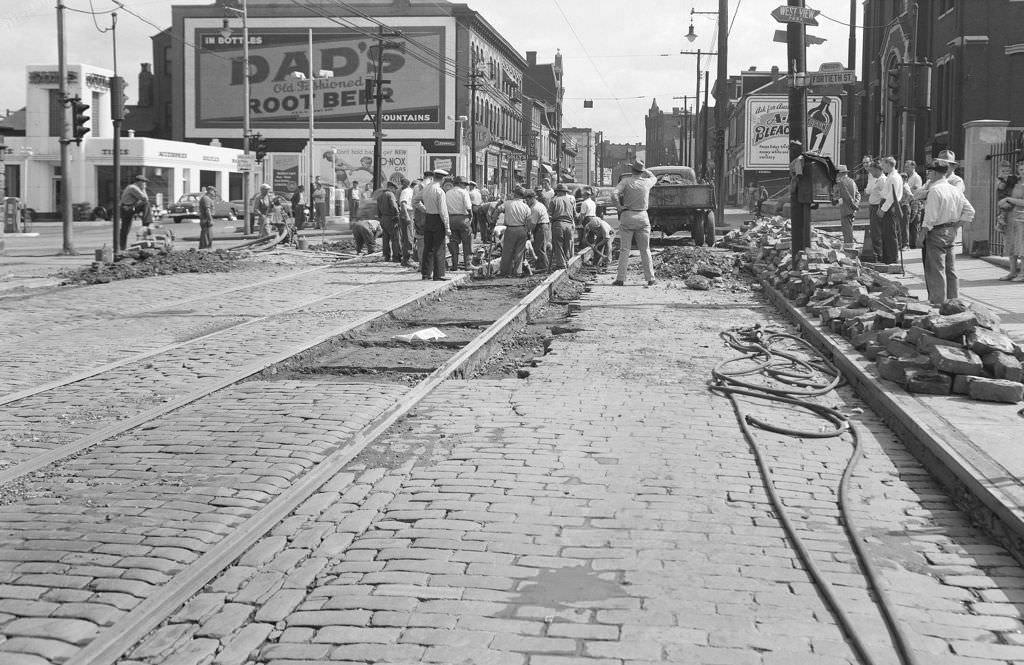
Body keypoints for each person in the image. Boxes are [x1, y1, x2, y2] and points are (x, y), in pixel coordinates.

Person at [913, 160, 975, 305]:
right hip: (951, 231)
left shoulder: (935, 190)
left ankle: (938, 301)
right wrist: (956, 226)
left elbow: (930, 218)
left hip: (936, 231)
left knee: (936, 268)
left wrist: (920, 237)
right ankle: (954, 300)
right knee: (951, 268)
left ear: (934, 173)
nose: (928, 174)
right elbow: (970, 211)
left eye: (929, 172)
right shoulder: (954, 189)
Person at [612, 159, 657, 286]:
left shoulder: (625, 181)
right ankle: (650, 278)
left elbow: (613, 194)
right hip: (643, 215)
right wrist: (645, 170)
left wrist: (619, 207)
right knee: (645, 249)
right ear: (641, 172)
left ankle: (620, 278)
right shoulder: (647, 182)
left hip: (627, 215)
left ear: (632, 170)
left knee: (624, 249)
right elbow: (654, 177)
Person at [417, 169, 451, 281]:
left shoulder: (426, 188)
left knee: (428, 247)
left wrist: (423, 209)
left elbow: (414, 200)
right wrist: (447, 227)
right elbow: (443, 211)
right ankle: (439, 274)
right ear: (443, 179)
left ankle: (426, 273)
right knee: (439, 247)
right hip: (437, 219)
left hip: (428, 218)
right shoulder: (439, 191)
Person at [997, 160, 1024, 281]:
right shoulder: (1014, 182)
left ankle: (1023, 274)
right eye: (1021, 169)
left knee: (1021, 246)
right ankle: (1012, 272)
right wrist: (1002, 202)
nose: (1022, 171)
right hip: (1011, 216)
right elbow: (1001, 191)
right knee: (1011, 245)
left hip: (1022, 218)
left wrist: (1008, 199)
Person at [497, 188, 533, 277]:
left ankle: (505, 271)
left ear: (515, 194)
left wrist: (492, 221)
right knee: (519, 252)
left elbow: (498, 209)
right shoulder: (526, 206)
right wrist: (528, 231)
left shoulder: (508, 203)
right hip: (522, 229)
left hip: (510, 229)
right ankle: (517, 271)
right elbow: (529, 220)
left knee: (507, 251)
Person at [877, 156, 903, 264]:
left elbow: (892, 196)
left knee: (890, 233)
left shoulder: (894, 177)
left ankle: (892, 257)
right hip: (887, 204)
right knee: (886, 233)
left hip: (890, 206)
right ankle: (887, 256)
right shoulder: (890, 176)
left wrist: (883, 209)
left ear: (888, 164)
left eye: (883, 165)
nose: (882, 168)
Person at [118, 174, 153, 251]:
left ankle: (122, 247)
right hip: (127, 209)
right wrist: (144, 189)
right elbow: (145, 199)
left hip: (128, 208)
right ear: (138, 182)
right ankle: (146, 223)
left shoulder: (132, 187)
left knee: (125, 229)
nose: (145, 184)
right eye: (143, 182)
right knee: (146, 204)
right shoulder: (133, 188)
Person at [445, 176, 474, 270]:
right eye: (464, 184)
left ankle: (454, 265)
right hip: (463, 218)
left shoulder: (447, 193)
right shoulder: (463, 192)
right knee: (467, 241)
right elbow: (468, 207)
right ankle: (468, 264)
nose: (465, 186)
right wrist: (470, 217)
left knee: (453, 241)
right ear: (460, 184)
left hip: (451, 219)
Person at [861, 160, 885, 262]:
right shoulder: (877, 179)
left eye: (872, 171)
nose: (871, 173)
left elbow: (884, 196)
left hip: (877, 207)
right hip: (873, 206)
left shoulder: (882, 180)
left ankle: (879, 254)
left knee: (877, 232)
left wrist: (880, 208)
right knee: (874, 231)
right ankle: (877, 252)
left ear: (877, 170)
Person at [548, 183, 576, 269]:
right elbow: (575, 214)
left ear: (558, 192)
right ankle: (567, 261)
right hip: (569, 224)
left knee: (558, 244)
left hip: (558, 224)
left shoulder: (554, 201)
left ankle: (561, 264)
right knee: (567, 244)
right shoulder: (570, 201)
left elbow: (549, 215)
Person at [834, 165, 860, 244]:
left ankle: (848, 248)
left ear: (840, 173)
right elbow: (858, 195)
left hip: (846, 209)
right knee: (849, 228)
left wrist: (853, 206)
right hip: (851, 209)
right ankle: (849, 246)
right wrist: (856, 204)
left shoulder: (842, 182)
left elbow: (847, 196)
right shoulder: (852, 181)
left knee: (847, 230)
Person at [377, 181, 401, 263]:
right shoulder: (390, 194)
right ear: (391, 188)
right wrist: (397, 215)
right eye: (394, 189)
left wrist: (381, 218)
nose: (395, 191)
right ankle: (396, 257)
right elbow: (394, 206)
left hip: (383, 219)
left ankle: (386, 256)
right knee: (395, 238)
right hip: (391, 218)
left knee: (385, 239)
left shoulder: (380, 196)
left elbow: (378, 210)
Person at [529, 187, 552, 271]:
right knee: (539, 247)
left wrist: (528, 232)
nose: (526, 202)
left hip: (541, 227)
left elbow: (533, 224)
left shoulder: (535, 208)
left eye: (527, 199)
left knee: (539, 248)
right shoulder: (539, 204)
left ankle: (544, 266)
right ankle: (540, 265)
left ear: (531, 198)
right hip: (544, 226)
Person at [398, 178, 415, 266]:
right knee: (408, 237)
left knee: (407, 237)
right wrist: (407, 216)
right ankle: (406, 259)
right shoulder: (407, 191)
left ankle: (406, 258)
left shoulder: (407, 191)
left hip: (408, 213)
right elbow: (403, 204)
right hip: (407, 213)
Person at [198, 185, 217, 249]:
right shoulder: (206, 198)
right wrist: (210, 219)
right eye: (214, 191)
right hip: (206, 220)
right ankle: (205, 249)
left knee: (208, 235)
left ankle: (205, 248)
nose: (215, 193)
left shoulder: (208, 198)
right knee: (207, 236)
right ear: (210, 191)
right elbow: (207, 210)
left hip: (207, 219)